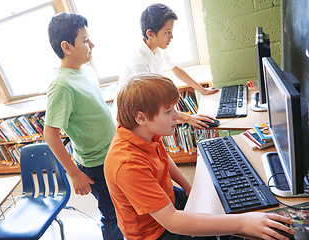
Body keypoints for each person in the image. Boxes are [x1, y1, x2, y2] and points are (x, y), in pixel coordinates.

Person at [104, 73, 294, 240]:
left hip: (167, 201)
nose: (177, 116)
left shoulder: (143, 132)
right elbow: (172, 222)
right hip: (155, 232)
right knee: (236, 228)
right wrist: (243, 224)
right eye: (168, 111)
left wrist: (187, 187)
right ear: (141, 118)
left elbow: (162, 158)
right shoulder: (127, 164)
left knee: (225, 210)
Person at [45, 13, 123, 240]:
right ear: (66, 47)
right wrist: (74, 173)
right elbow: (50, 135)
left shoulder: (84, 70)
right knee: (111, 215)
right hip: (96, 164)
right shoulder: (61, 86)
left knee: (124, 205)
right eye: (85, 40)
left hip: (112, 151)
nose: (92, 45)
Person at [115, 3, 218, 129]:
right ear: (150, 33)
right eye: (167, 32)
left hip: (146, 110)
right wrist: (189, 118)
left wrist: (202, 90)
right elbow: (152, 102)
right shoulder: (138, 62)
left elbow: (176, 70)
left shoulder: (159, 48)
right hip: (131, 118)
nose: (172, 37)